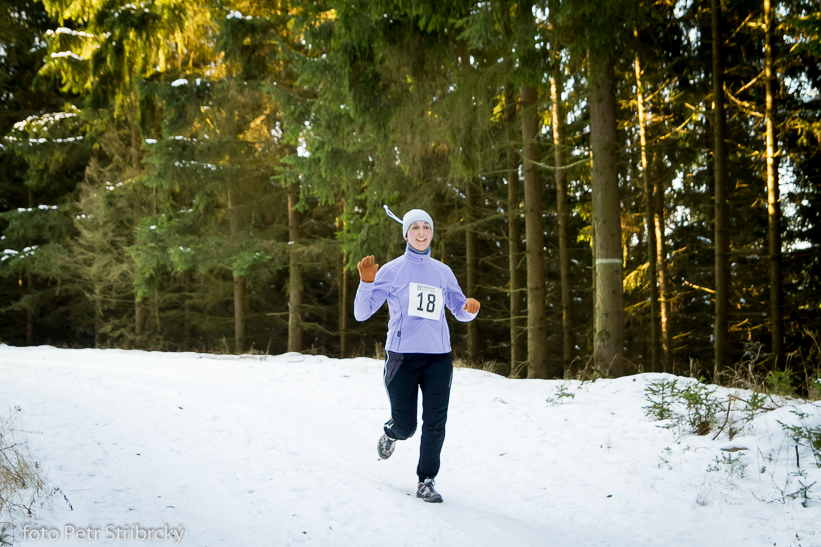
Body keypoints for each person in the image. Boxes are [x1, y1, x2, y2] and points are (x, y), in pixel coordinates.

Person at [353, 207, 480, 503]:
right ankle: (392, 432)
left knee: (435, 422)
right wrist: (366, 282)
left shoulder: (442, 272)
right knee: (407, 425)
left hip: (438, 358)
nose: (421, 233)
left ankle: (426, 480)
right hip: (402, 359)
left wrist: (469, 310)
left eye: (426, 227)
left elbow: (459, 309)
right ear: (406, 234)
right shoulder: (392, 270)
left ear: (432, 232)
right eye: (415, 228)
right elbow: (361, 314)